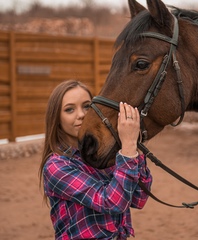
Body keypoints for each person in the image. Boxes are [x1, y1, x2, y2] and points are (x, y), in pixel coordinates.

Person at [39, 79, 153, 240]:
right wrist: (127, 147)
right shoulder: (57, 166)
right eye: (69, 109)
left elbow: (138, 199)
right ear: (56, 119)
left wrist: (134, 146)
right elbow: (111, 202)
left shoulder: (104, 154)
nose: (81, 115)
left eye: (86, 106)